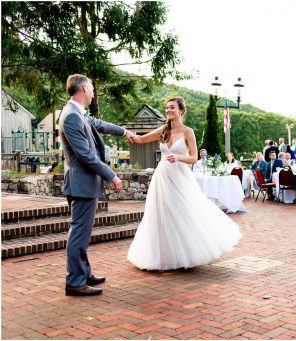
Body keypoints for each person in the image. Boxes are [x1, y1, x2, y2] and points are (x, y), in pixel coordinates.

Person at [125, 97, 241, 271]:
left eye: (172, 107)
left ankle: (184, 254)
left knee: (182, 212)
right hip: (162, 177)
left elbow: (193, 157)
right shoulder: (163, 130)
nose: (169, 110)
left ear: (181, 111)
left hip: (180, 177)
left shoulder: (188, 132)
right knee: (161, 214)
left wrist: (179, 157)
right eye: (166, 108)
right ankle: (163, 256)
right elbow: (141, 140)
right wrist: (130, 136)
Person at [59, 74, 137, 296]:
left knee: (82, 232)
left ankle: (84, 273)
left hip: (83, 183)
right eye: (91, 87)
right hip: (81, 184)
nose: (93, 92)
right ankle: (75, 282)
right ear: (83, 88)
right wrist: (112, 175)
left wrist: (125, 131)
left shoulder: (78, 113)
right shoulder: (71, 117)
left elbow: (99, 124)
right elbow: (86, 156)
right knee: (79, 234)